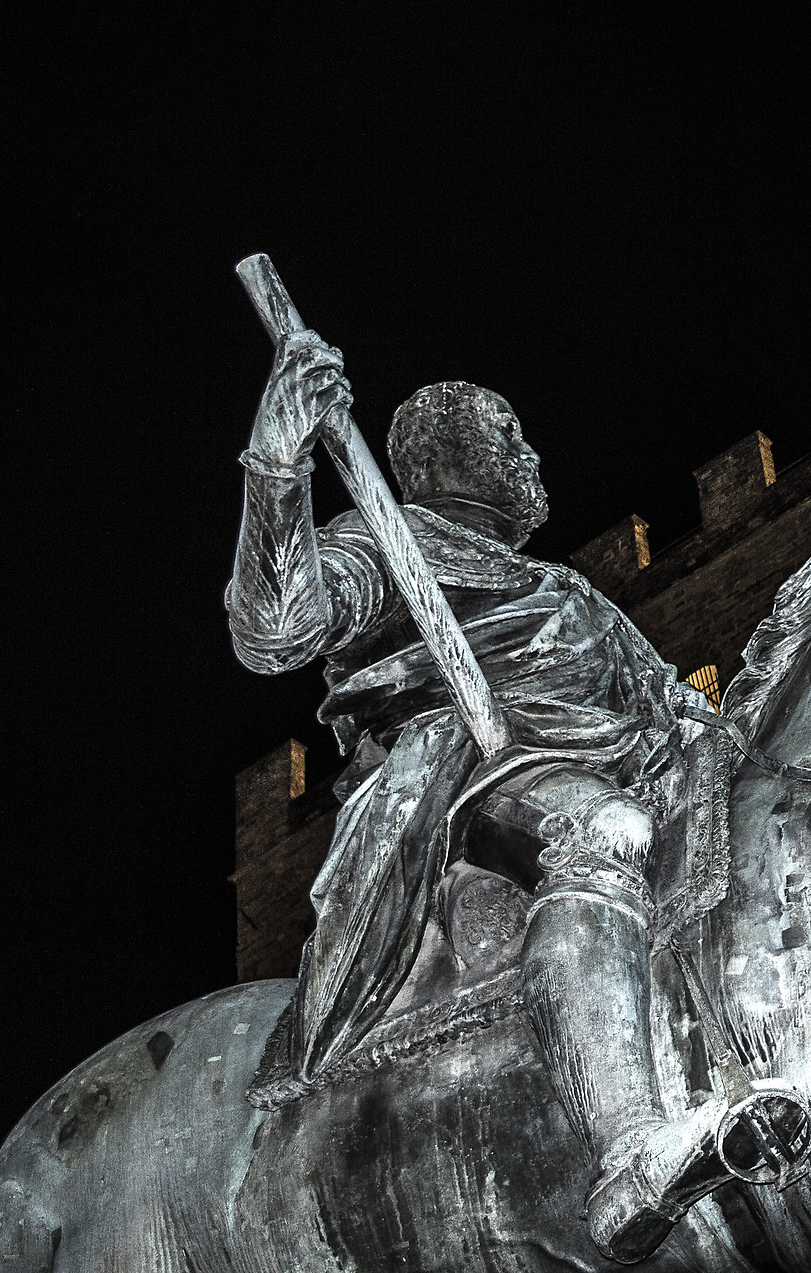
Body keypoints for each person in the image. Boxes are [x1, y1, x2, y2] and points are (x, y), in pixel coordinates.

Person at [226, 327, 722, 1260]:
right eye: (511, 436)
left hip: (611, 765)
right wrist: (276, 465)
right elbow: (276, 630)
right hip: (467, 788)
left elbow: (680, 712)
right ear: (452, 453)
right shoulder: (390, 543)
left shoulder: (566, 592)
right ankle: (632, 1155)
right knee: (603, 828)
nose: (531, 457)